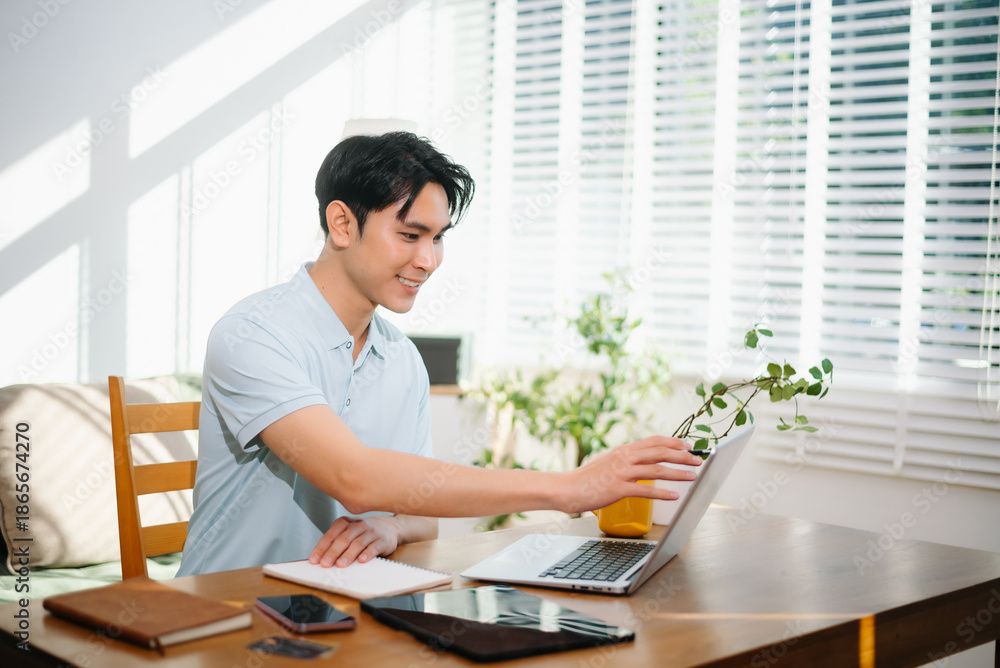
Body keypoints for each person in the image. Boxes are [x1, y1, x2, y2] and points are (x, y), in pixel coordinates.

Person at [177, 132, 701, 576]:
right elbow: (354, 478)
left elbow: (420, 515)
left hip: (344, 614)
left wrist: (391, 528)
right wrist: (567, 489)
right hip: (231, 615)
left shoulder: (401, 359)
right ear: (342, 224)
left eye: (438, 238)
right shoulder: (253, 335)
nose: (428, 261)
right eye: (410, 235)